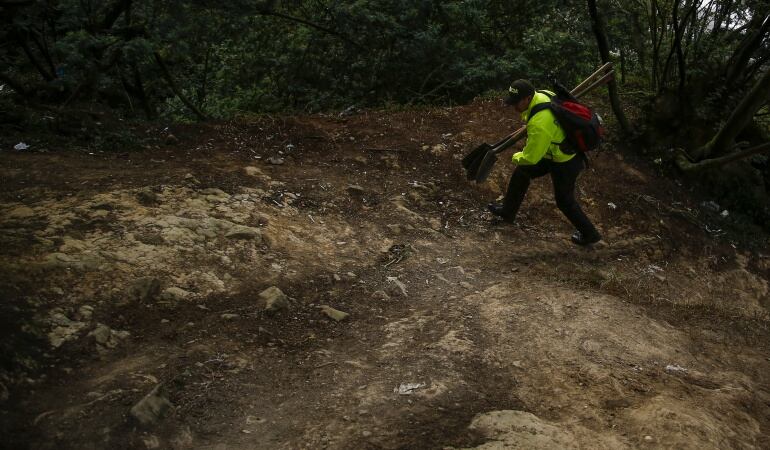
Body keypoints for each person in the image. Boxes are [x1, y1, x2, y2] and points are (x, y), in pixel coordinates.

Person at [488, 79, 602, 246]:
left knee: (564, 201)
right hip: (552, 152)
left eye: (516, 102)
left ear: (527, 98)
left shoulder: (540, 123)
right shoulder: (543, 94)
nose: (514, 107)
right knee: (522, 172)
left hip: (565, 160)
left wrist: (515, 156)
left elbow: (531, 157)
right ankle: (508, 212)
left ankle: (590, 234)